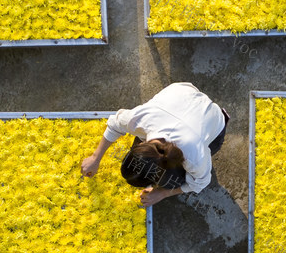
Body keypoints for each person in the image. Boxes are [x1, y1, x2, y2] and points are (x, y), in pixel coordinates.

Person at [80, 82, 229, 207]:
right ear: (143, 144)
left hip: (213, 121)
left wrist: (163, 192)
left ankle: (169, 180)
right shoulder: (140, 119)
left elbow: (201, 182)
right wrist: (95, 158)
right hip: (183, 93)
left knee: (173, 181)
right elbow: (115, 124)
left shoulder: (194, 156)